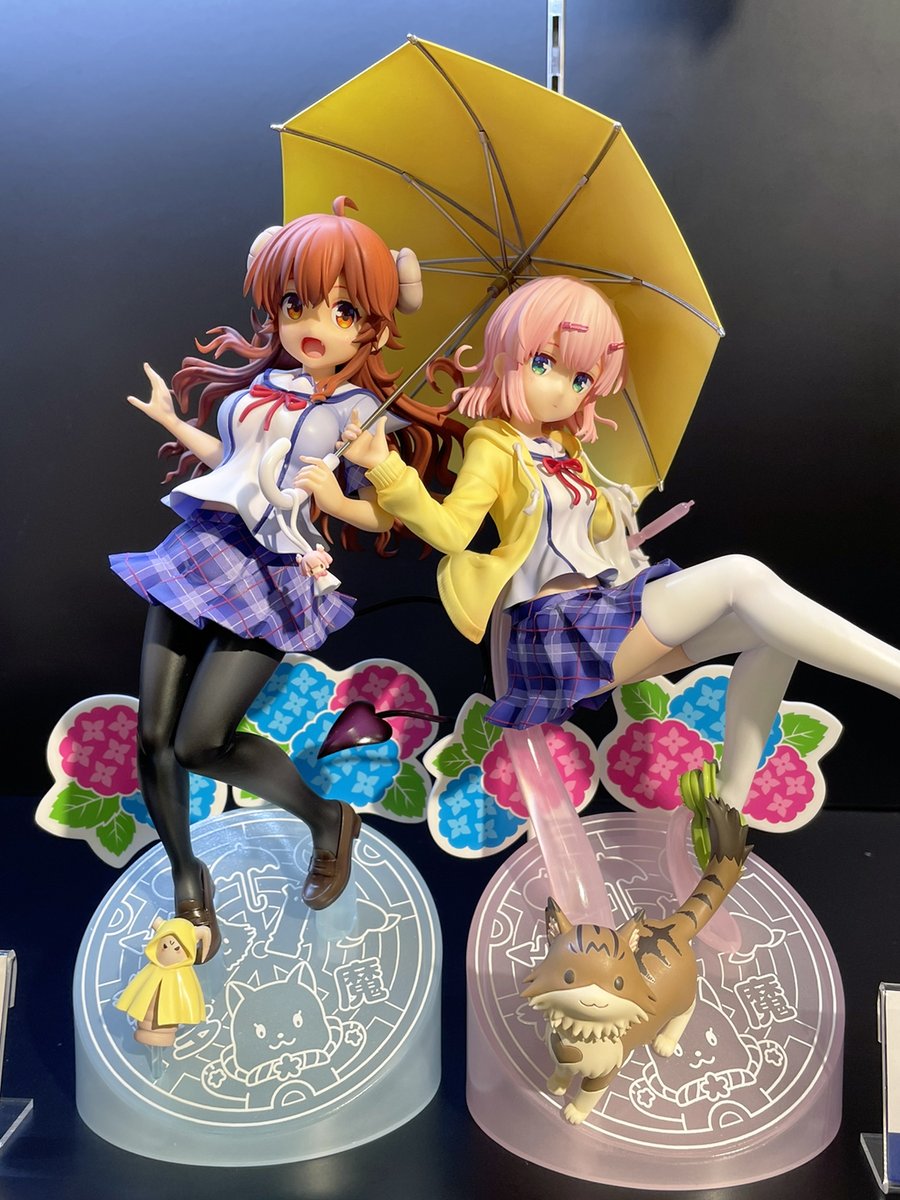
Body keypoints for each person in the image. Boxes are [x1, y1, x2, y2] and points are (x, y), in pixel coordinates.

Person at [303, 274, 900, 828]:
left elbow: (594, 526)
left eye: (582, 378)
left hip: (605, 614)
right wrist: (386, 469)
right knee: (742, 575)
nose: (562, 389)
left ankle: (728, 808)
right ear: (507, 356)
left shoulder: (565, 449)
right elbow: (453, 532)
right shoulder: (494, 444)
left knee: (774, 631)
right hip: (559, 633)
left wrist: (619, 509)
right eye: (544, 363)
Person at [110, 198, 458, 956]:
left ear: (372, 325)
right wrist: (173, 423)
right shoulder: (258, 387)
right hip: (204, 548)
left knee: (200, 743)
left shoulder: (364, 415)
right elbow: (230, 464)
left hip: (273, 574)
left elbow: (383, 517)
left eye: (342, 309)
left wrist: (336, 495)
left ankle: (328, 819)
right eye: (298, 303)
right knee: (153, 735)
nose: (314, 324)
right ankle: (187, 883)